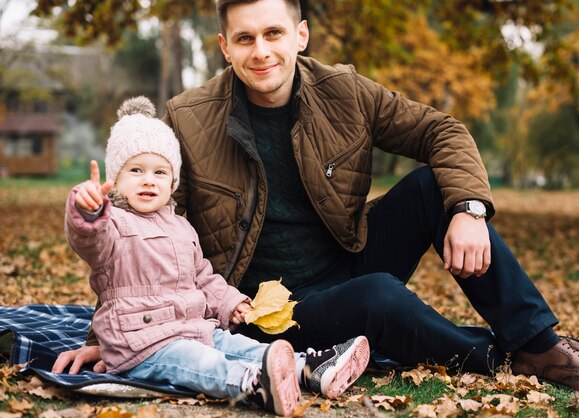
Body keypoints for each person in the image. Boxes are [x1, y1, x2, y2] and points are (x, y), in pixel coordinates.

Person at [56, 0, 579, 397]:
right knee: (379, 297)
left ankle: (538, 345)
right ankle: (500, 357)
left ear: (300, 35)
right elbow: (137, 223)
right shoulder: (190, 116)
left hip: (347, 260)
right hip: (262, 309)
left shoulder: (346, 92)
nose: (262, 51)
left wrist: (468, 210)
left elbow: (442, 133)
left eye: (274, 33)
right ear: (225, 46)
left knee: (433, 189)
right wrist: (108, 335)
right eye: (246, 38)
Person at [60, 96, 370, 416]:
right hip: (143, 343)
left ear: (173, 181)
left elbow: (204, 277)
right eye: (136, 170)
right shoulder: (112, 225)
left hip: (195, 328)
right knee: (203, 363)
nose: (149, 179)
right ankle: (253, 384)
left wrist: (229, 303)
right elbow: (88, 238)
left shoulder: (181, 227)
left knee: (238, 346)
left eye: (160, 172)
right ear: (117, 179)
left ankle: (309, 367)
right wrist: (87, 210)